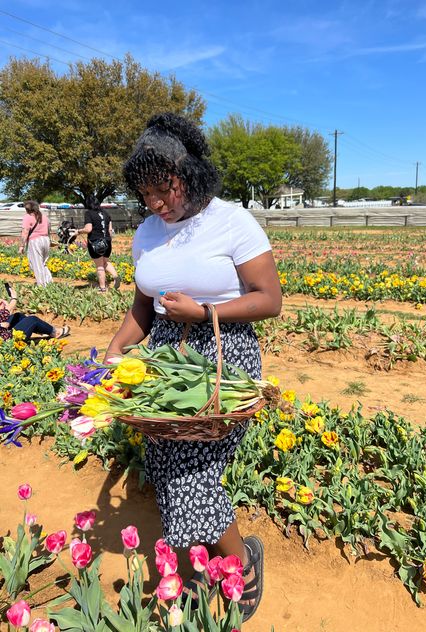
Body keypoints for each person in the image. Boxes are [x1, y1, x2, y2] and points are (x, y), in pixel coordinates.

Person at [105, 112, 282, 621]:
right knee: (164, 463)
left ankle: (240, 560)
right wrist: (116, 350)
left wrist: (204, 312)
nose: (156, 203)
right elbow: (143, 308)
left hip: (222, 355)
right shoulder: (146, 233)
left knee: (193, 472)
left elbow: (269, 299)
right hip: (165, 359)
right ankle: (204, 561)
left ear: (190, 173)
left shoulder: (231, 222)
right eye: (146, 195)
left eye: (163, 189)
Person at [70, 195, 121, 292]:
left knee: (100, 266)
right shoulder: (105, 213)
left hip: (96, 242)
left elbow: (88, 229)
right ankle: (115, 276)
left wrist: (78, 231)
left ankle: (102, 288)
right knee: (105, 262)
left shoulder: (89, 213)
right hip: (107, 241)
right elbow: (110, 230)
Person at [0, 286, 70, 341]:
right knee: (32, 320)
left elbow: (4, 316)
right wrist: (14, 298)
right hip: (6, 341)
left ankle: (42, 330)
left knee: (18, 316)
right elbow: (6, 313)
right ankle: (56, 332)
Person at [19, 200, 53, 286]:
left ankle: (41, 286)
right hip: (45, 239)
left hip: (35, 241)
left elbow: (25, 231)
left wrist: (21, 246)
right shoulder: (44, 217)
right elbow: (49, 229)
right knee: (43, 263)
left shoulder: (27, 217)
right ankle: (49, 283)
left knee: (37, 264)